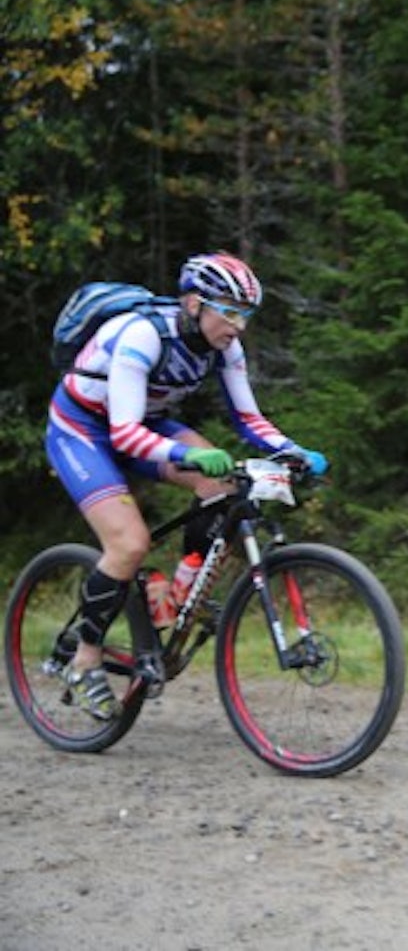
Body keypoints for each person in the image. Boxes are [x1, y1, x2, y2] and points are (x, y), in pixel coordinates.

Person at [45, 252, 329, 720]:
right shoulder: (142, 335)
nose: (238, 326)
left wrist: (295, 450)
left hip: (146, 424)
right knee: (129, 543)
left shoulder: (225, 348)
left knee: (224, 488)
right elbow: (123, 434)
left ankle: (177, 596)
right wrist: (189, 454)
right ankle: (85, 660)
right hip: (83, 430)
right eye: (230, 312)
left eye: (247, 315)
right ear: (195, 304)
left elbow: (248, 418)